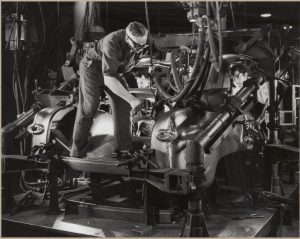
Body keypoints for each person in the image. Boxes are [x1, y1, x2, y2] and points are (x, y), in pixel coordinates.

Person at [70, 21, 163, 158]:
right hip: (93, 69)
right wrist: (132, 99)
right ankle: (77, 150)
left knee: (123, 104)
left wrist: (179, 57)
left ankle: (124, 148)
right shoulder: (111, 43)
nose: (141, 48)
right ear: (127, 38)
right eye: (137, 45)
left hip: (114, 72)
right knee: (89, 107)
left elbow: (161, 55)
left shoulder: (144, 40)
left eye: (144, 45)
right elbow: (109, 79)